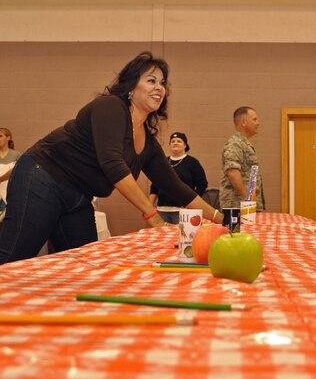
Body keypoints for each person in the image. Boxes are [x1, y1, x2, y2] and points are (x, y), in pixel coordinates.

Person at [0, 51, 223, 264]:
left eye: (163, 83)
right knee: (14, 256)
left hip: (78, 193)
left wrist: (220, 218)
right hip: (42, 175)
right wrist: (152, 214)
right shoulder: (111, 107)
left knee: (85, 264)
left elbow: (175, 186)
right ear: (131, 86)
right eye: (151, 80)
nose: (159, 88)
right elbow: (113, 165)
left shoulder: (148, 142)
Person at [149, 131, 208, 223]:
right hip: (162, 211)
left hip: (183, 211)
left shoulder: (192, 162)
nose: (175, 143)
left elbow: (202, 185)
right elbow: (154, 187)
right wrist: (149, 206)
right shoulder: (163, 161)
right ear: (170, 145)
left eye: (179, 141)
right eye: (173, 141)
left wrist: (191, 203)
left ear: (185, 145)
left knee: (182, 236)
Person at [219, 106, 265, 211]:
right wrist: (248, 199)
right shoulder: (235, 143)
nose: (258, 123)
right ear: (243, 122)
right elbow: (232, 172)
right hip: (237, 206)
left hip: (246, 206)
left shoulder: (244, 143)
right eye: (254, 119)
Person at [0, 128, 22, 222]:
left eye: (0, 136)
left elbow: (19, 172)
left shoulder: (16, 155)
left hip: (8, 194)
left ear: (8, 137)